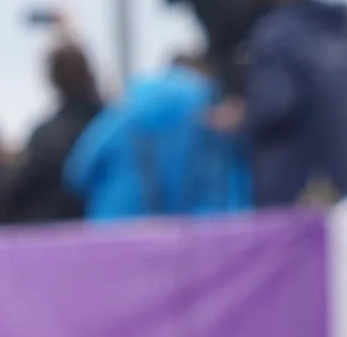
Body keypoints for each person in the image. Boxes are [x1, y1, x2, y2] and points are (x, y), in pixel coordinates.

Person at [234, 0, 347, 207]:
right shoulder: (342, 22)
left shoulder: (277, 33)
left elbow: (275, 104)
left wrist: (241, 117)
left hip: (293, 187)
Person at [67, 55, 253, 220]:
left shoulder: (121, 115)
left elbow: (77, 172)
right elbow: (230, 188)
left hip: (117, 229)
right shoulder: (207, 119)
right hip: (193, 238)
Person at [5, 31, 106, 225]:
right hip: (109, 227)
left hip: (55, 232)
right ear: (90, 73)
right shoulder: (111, 124)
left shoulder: (46, 135)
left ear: (52, 79)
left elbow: (21, 189)